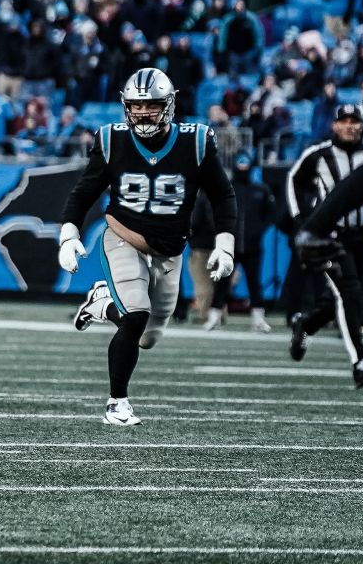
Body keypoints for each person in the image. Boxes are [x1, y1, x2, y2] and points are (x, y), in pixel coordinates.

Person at [58, 68, 237, 426]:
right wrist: (68, 235)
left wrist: (225, 243)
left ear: (168, 106)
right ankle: (116, 403)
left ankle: (102, 304)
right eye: (136, 106)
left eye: (151, 106)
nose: (142, 114)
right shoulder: (112, 140)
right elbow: (84, 192)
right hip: (122, 236)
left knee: (148, 337)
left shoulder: (196, 142)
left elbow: (222, 194)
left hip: (170, 250)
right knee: (136, 314)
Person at [285, 105, 363, 387]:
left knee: (338, 300)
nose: (350, 126)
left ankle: (306, 324)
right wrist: (301, 221)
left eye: (355, 121)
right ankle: (360, 362)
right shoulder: (318, 155)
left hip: (362, 234)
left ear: (362, 125)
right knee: (349, 292)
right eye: (344, 121)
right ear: (334, 125)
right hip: (329, 236)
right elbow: (295, 180)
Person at [202, 151, 275, 333]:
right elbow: (213, 211)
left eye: (246, 163)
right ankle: (214, 317)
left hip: (252, 245)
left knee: (254, 283)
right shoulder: (226, 187)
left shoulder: (260, 190)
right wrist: (223, 230)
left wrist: (258, 230)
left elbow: (271, 214)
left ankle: (258, 319)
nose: (243, 166)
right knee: (221, 282)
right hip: (228, 244)